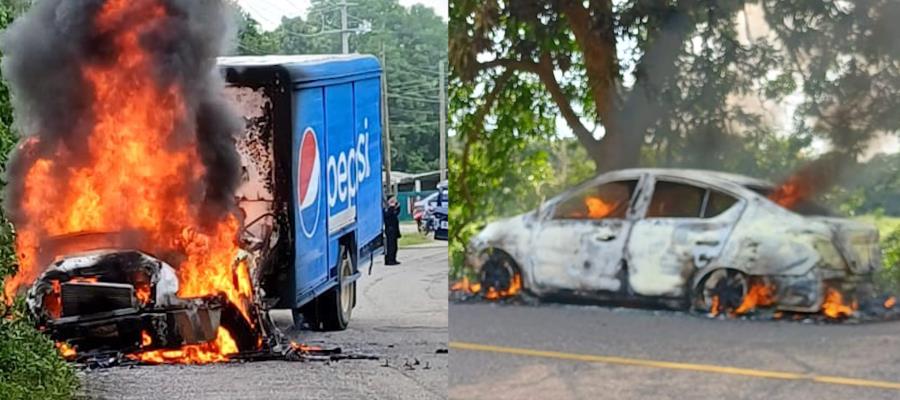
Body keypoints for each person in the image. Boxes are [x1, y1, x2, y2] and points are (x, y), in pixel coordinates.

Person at [383, 195, 401, 265]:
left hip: (394, 229)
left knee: (394, 246)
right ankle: (389, 260)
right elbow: (388, 215)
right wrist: (391, 206)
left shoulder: (393, 208)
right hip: (390, 229)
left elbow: (396, 213)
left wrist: (397, 206)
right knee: (390, 246)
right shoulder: (387, 209)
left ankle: (393, 259)